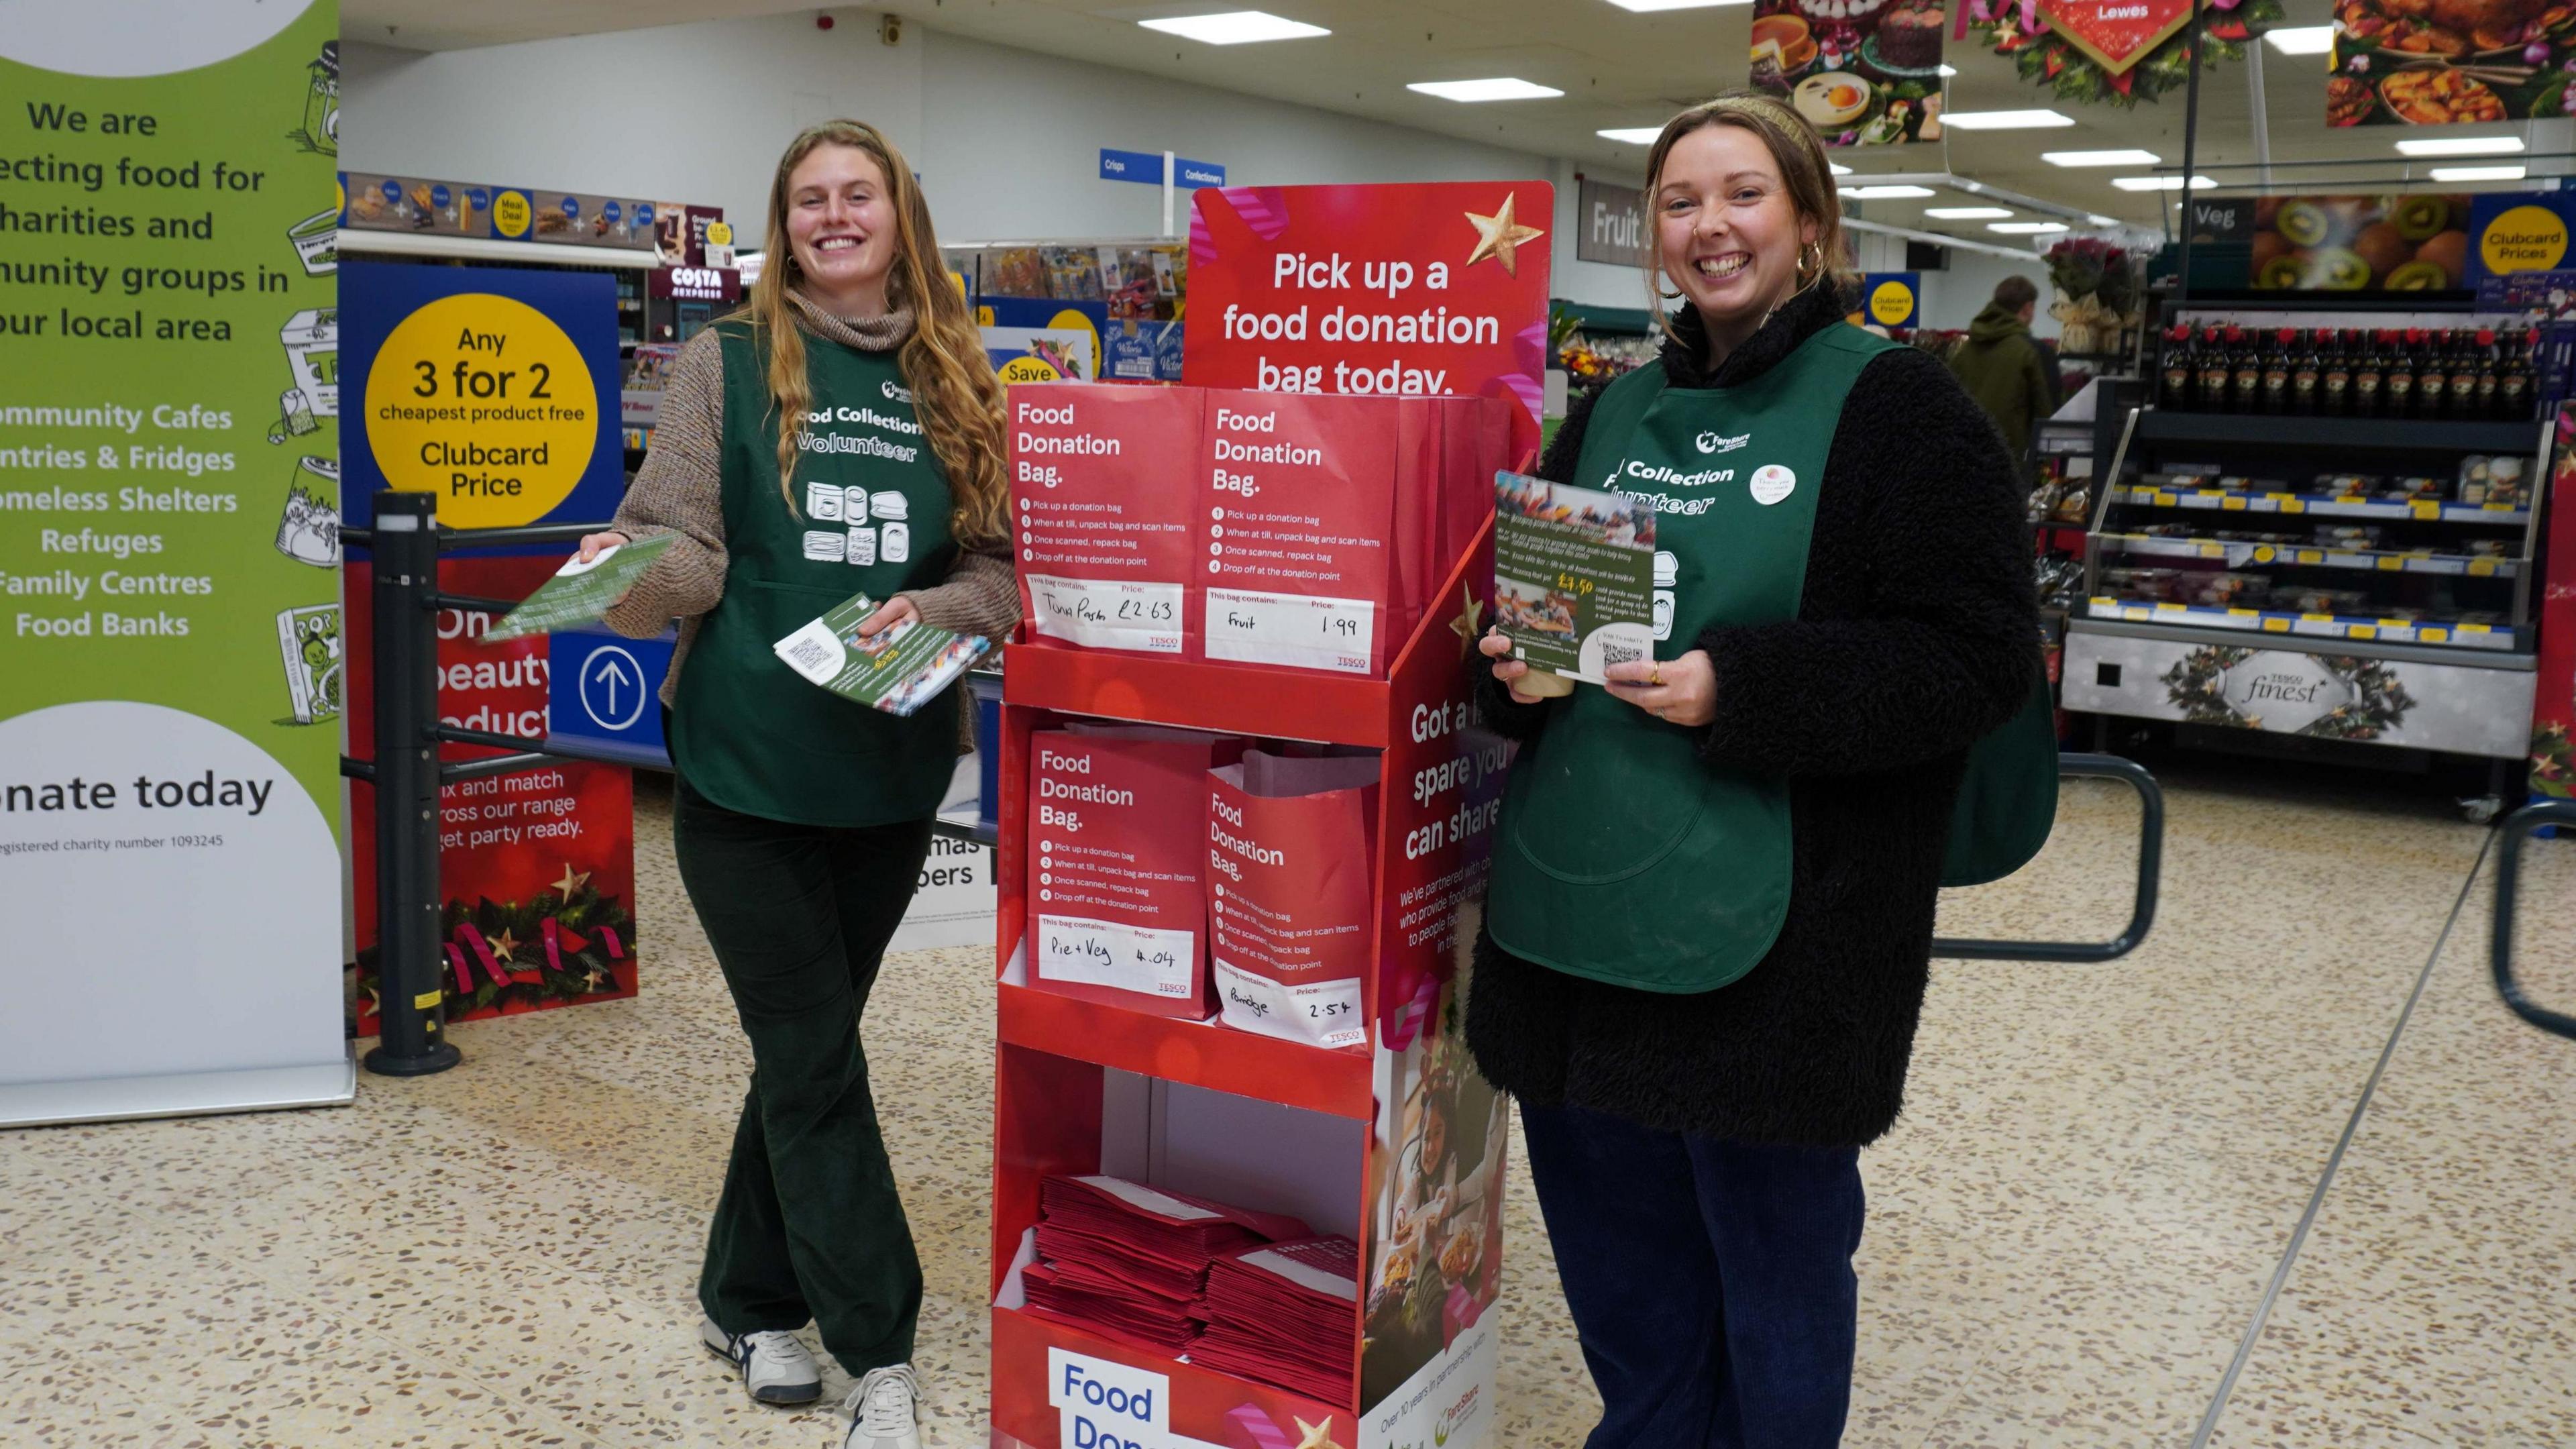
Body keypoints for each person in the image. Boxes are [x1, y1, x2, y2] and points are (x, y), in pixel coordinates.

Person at [1469, 93, 2037, 1447]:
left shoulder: (1902, 410)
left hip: (1781, 952)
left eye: (1743, 196)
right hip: (1580, 924)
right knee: (1625, 1276)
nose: (1709, 226)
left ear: (1811, 225)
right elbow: (1528, 616)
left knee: (1775, 1268)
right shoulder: (1611, 413)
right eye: (1679, 202)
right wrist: (1510, 665)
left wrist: (1748, 685)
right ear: (1653, 236)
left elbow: (1973, 655)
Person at [576, 119, 1018, 1449]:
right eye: (810, 198)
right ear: (787, 220)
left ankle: (746, 1299)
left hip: (886, 776)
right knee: (817, 1059)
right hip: (743, 772)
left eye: (857, 196)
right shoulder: (725, 363)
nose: (833, 217)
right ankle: (879, 1348)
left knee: (797, 1059)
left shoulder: (961, 381)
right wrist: (621, 574)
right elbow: (683, 551)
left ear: (901, 218)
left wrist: (927, 610)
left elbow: (997, 578)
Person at [1947, 272, 2058, 476]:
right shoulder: (2031, 352)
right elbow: (2045, 413)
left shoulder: (1964, 352)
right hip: (2010, 464)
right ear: (2027, 308)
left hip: (1965, 461)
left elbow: (1947, 405)